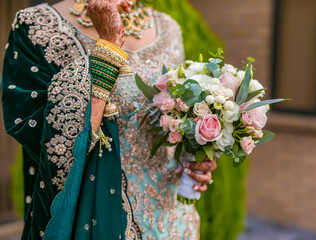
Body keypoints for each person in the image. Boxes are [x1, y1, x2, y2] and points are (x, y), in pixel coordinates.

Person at [1, 0, 218, 239]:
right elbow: (48, 141)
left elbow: (173, 121)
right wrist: (109, 46)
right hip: (100, 218)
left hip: (175, 221)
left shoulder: (169, 27)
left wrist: (194, 158)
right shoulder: (36, 25)